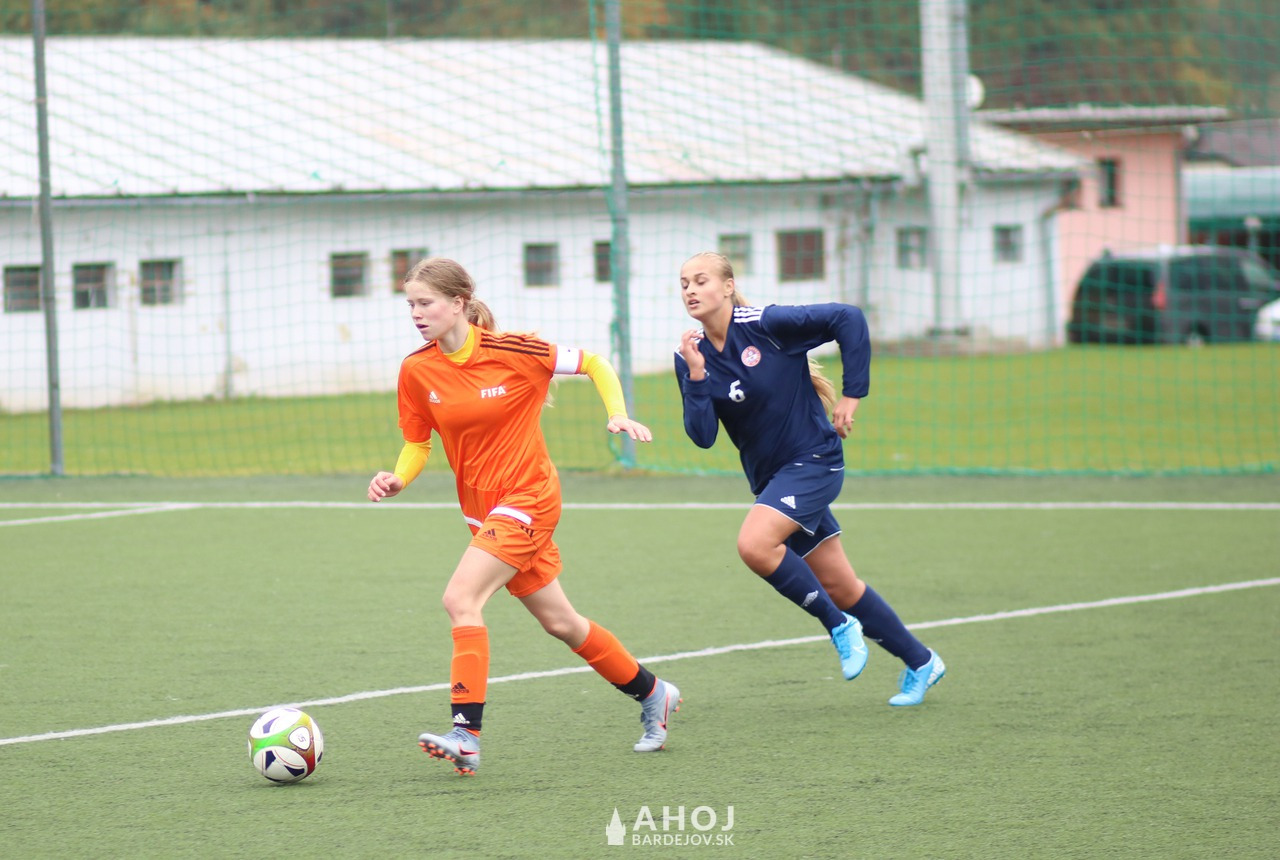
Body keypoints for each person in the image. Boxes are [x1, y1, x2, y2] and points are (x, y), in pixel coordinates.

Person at [368, 256, 680, 775]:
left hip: (529, 497)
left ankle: (466, 735)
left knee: (460, 599)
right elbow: (417, 443)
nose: (416, 314)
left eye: (426, 303)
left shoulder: (513, 350)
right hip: (481, 511)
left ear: (458, 303)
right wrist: (399, 478)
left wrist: (617, 414)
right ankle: (654, 693)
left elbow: (594, 363)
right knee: (561, 622)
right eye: (411, 305)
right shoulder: (417, 369)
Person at [673, 251, 944, 706]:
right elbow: (702, 436)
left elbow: (848, 317)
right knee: (841, 586)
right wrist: (697, 376)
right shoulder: (690, 355)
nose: (691, 291)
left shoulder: (765, 324)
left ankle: (838, 625)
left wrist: (853, 395)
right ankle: (922, 662)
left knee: (754, 545)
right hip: (772, 480)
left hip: (815, 461)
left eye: (701, 281)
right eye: (684, 284)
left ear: (728, 286)